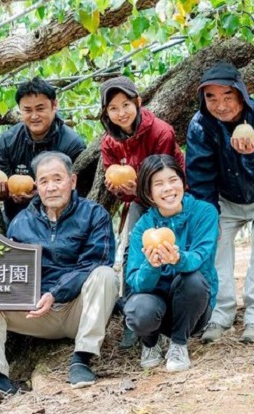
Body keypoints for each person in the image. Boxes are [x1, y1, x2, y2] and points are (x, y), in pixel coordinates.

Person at [0, 152, 119, 394]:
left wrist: (55, 292)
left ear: (72, 181)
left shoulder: (94, 215)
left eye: (57, 179)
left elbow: (95, 262)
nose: (51, 187)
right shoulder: (21, 222)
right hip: (36, 313)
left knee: (106, 274)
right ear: (36, 186)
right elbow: (13, 271)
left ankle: (82, 358)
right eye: (43, 181)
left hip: (79, 310)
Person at [186, 62, 254, 344]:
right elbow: (200, 179)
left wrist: (252, 155)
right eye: (211, 97)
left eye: (227, 96)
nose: (220, 105)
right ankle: (221, 313)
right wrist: (208, 219)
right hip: (227, 199)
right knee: (215, 242)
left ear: (241, 94)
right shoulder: (200, 127)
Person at [98, 76, 185, 349]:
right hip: (138, 200)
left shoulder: (161, 132)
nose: (121, 112)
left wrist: (140, 186)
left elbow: (166, 175)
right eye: (113, 108)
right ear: (106, 113)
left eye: (126, 104)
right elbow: (119, 188)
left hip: (171, 195)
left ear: (138, 102)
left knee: (173, 247)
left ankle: (177, 312)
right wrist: (120, 189)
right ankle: (132, 316)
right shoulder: (109, 144)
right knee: (129, 251)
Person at [124, 154, 218, 372]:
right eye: (159, 184)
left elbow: (201, 259)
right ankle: (150, 343)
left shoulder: (204, 213)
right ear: (148, 193)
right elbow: (137, 283)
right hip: (155, 303)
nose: (168, 188)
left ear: (183, 182)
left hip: (192, 307)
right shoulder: (142, 228)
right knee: (139, 309)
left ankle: (179, 344)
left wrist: (179, 259)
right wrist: (151, 265)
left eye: (173, 180)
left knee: (193, 280)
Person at [0, 76, 86, 224]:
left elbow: (81, 191)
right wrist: (3, 193)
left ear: (54, 105)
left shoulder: (72, 144)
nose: (34, 116)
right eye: (27, 110)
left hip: (61, 223)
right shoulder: (8, 141)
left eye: (40, 109)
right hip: (16, 223)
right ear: (20, 110)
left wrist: (42, 193)